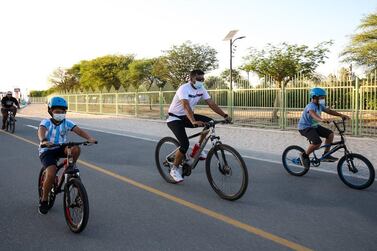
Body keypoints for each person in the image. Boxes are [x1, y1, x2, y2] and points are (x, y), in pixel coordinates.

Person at [167, 69, 231, 182]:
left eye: (203, 79)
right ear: (191, 79)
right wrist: (193, 121)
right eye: (199, 79)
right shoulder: (184, 88)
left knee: (210, 123)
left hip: (188, 116)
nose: (201, 81)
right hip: (175, 118)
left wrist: (225, 115)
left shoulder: (201, 89)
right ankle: (174, 169)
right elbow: (185, 105)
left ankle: (197, 149)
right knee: (185, 144)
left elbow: (211, 103)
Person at [38, 96, 96, 215]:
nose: (60, 114)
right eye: (57, 112)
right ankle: (44, 200)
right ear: (50, 111)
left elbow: (78, 131)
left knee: (75, 148)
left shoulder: (67, 123)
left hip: (61, 147)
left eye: (63, 112)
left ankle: (70, 167)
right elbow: (41, 130)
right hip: (47, 150)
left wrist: (89, 138)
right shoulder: (46, 122)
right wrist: (43, 140)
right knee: (52, 172)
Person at [298, 87, 350, 168]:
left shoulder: (320, 105)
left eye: (323, 97)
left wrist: (341, 115)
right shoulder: (310, 106)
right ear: (314, 97)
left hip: (314, 126)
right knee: (317, 142)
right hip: (305, 127)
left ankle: (326, 154)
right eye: (321, 97)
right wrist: (321, 119)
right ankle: (304, 155)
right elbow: (313, 114)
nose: (323, 99)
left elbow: (329, 111)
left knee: (330, 134)